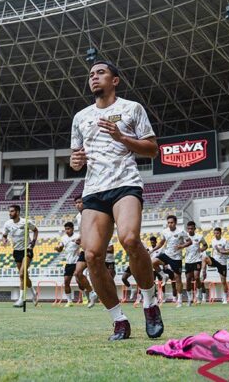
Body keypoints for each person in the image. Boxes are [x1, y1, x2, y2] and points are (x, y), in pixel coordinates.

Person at [69, 60, 164, 341]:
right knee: (92, 256)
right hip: (94, 190)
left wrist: (122, 137)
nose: (94, 78)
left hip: (125, 184)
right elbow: (76, 160)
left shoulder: (131, 108)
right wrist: (75, 161)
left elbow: (152, 150)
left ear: (115, 80)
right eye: (90, 75)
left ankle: (149, 303)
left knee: (130, 240)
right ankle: (119, 319)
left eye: (100, 73)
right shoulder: (80, 117)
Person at [2, 204, 39, 307]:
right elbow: (4, 235)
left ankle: (21, 299)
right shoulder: (7, 224)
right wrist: (4, 240)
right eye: (9, 211)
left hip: (27, 249)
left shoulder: (26, 222)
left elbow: (35, 230)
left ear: (17, 212)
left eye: (12, 211)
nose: (10, 213)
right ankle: (34, 293)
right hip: (16, 251)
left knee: (22, 274)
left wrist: (34, 242)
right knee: (24, 276)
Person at [151, 215, 191, 308]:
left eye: (172, 222)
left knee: (178, 278)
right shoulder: (165, 231)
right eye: (168, 222)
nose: (170, 224)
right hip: (167, 254)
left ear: (175, 223)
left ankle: (180, 300)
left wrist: (181, 246)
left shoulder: (181, 231)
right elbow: (161, 243)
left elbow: (190, 242)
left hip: (176, 258)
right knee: (153, 262)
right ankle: (164, 275)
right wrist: (152, 250)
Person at [72, 195, 95, 307]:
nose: (78, 204)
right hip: (84, 248)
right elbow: (83, 232)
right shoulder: (78, 217)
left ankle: (109, 300)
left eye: (80, 202)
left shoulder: (91, 213)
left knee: (98, 275)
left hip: (95, 247)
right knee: (77, 273)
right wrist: (80, 239)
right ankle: (92, 293)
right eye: (76, 203)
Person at [55, 221, 80, 307]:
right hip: (69, 262)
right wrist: (57, 248)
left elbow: (83, 245)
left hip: (78, 262)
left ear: (72, 229)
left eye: (68, 229)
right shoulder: (63, 238)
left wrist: (79, 244)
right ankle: (69, 301)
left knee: (79, 281)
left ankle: (85, 297)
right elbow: (60, 248)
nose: (67, 230)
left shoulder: (77, 236)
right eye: (65, 229)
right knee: (66, 281)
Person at [183, 221, 207, 306]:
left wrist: (202, 249)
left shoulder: (199, 237)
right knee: (188, 279)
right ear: (187, 229)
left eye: (191, 228)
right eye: (188, 228)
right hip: (188, 261)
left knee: (197, 277)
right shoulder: (185, 236)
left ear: (194, 229)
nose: (190, 230)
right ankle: (189, 298)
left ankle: (199, 295)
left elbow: (205, 245)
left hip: (197, 260)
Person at [208, 227, 229, 304]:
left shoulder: (225, 241)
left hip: (222, 262)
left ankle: (224, 298)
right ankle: (203, 273)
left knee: (223, 281)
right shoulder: (213, 241)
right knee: (205, 258)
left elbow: (228, 252)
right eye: (214, 233)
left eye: (217, 233)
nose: (216, 235)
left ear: (220, 233)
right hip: (215, 260)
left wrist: (221, 251)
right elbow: (213, 251)